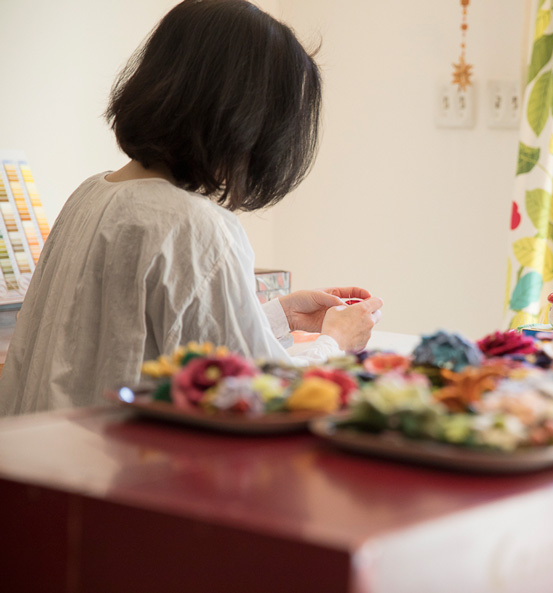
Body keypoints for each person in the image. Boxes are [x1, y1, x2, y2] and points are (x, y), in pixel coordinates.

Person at [0, 0, 383, 415]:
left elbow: (164, 339)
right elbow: (255, 397)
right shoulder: (195, 225)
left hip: (38, 457)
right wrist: (335, 344)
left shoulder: (89, 195)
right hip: (119, 468)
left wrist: (278, 316)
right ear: (246, 119)